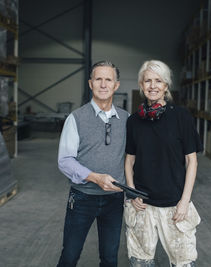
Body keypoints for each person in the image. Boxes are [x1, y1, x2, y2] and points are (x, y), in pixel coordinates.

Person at [124, 60, 203, 267]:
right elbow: (129, 160)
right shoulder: (133, 121)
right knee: (140, 262)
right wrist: (132, 192)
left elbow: (191, 161)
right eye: (147, 81)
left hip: (175, 206)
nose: (152, 86)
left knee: (183, 263)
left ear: (166, 86)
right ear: (141, 85)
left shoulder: (181, 117)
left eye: (158, 81)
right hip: (142, 206)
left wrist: (184, 201)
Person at [57, 60, 129, 267]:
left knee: (109, 257)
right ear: (91, 83)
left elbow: (132, 158)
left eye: (109, 79)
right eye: (98, 79)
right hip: (82, 198)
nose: (103, 84)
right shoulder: (76, 118)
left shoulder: (126, 119)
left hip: (115, 200)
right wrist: (95, 177)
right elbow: (65, 161)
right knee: (70, 255)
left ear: (116, 85)